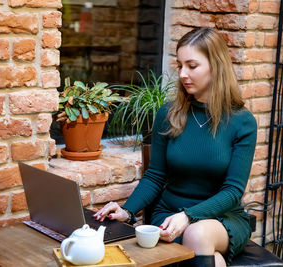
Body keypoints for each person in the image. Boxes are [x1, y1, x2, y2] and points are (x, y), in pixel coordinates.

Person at [93, 27, 257, 267]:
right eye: (180, 65)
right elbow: (155, 176)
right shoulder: (168, 114)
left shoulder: (242, 121)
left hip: (221, 219)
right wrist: (128, 212)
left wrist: (189, 216)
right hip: (169, 216)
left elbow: (233, 192)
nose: (182, 74)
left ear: (216, 66)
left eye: (192, 66)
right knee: (214, 260)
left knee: (197, 234)